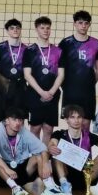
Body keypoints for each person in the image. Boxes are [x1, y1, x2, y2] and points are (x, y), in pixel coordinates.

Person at [0, 107, 70, 195]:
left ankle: (50, 188)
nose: (18, 123)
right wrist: (7, 168)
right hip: (3, 177)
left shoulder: (23, 131)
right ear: (7, 121)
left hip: (20, 173)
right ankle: (15, 188)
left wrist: (46, 164)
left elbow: (41, 147)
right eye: (14, 120)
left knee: (39, 155)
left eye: (20, 120)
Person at [47, 105, 98, 195]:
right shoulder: (59, 134)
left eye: (79, 117)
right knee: (57, 150)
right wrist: (51, 147)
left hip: (87, 175)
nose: (76, 120)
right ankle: (65, 186)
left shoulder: (89, 136)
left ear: (82, 119)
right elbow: (52, 143)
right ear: (66, 120)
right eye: (72, 117)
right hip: (65, 174)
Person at [23, 16, 66, 145]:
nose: (45, 30)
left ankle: (45, 155)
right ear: (36, 29)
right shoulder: (29, 51)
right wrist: (41, 92)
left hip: (53, 94)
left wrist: (51, 92)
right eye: (42, 28)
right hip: (34, 94)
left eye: (48, 28)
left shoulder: (58, 51)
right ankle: (35, 155)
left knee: (48, 128)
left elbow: (61, 74)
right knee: (35, 128)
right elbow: (27, 75)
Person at [58, 10, 98, 130]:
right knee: (72, 123)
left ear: (89, 24)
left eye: (86, 23)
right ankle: (72, 143)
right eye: (80, 23)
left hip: (88, 91)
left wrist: (90, 83)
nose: (83, 26)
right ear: (75, 24)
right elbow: (59, 67)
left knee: (85, 124)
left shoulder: (96, 43)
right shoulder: (65, 43)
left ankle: (85, 143)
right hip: (70, 90)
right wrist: (63, 84)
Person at [0, 19, 27, 121]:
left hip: (20, 88)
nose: (15, 30)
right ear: (7, 31)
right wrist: (3, 84)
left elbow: (28, 71)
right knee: (2, 120)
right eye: (12, 28)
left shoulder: (27, 49)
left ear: (20, 30)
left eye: (17, 28)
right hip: (4, 88)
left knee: (19, 120)